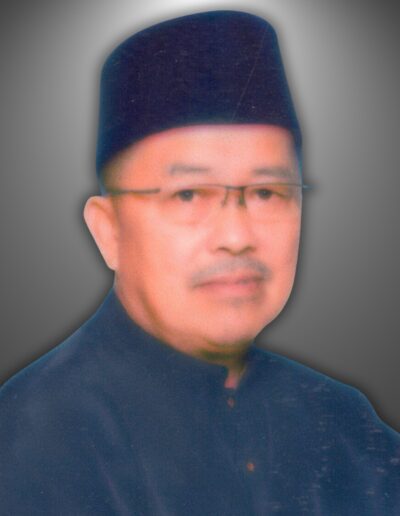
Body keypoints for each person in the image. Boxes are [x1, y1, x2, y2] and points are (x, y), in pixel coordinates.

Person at [0, 10, 399, 515]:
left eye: (267, 193)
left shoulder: (342, 421)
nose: (236, 237)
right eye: (188, 194)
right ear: (109, 230)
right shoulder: (34, 438)